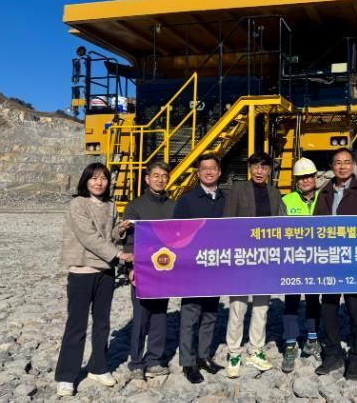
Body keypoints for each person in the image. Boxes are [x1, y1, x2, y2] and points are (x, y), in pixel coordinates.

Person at [55, 163, 133, 397]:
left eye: (103, 178)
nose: (99, 183)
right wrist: (118, 254)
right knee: (76, 324)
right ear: (86, 181)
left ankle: (98, 367)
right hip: (82, 271)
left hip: (105, 273)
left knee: (102, 323)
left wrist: (120, 230)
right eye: (94, 178)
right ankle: (66, 376)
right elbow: (88, 237)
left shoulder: (110, 206)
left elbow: (110, 236)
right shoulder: (77, 204)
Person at [314, 147, 357, 380]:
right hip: (329, 260)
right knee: (328, 307)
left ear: (354, 166)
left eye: (347, 162)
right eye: (338, 162)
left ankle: (356, 355)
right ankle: (333, 354)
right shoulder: (324, 191)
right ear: (332, 166)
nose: (342, 166)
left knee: (355, 310)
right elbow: (315, 226)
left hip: (354, 260)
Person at [223, 152, 286, 378]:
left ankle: (256, 350)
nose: (259, 171)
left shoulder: (275, 193)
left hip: (265, 258)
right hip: (242, 257)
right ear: (250, 168)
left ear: (269, 170)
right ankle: (234, 353)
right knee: (237, 306)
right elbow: (228, 221)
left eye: (264, 167)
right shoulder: (238, 189)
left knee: (261, 306)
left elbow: (281, 224)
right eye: (256, 166)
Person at [173, 153, 227, 384]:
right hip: (193, 267)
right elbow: (176, 233)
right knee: (190, 315)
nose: (209, 172)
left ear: (219, 172)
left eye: (213, 168)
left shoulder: (226, 199)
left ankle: (204, 356)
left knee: (210, 314)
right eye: (204, 168)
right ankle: (188, 362)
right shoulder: (186, 200)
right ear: (198, 173)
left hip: (216, 266)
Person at [123, 161, 175, 381]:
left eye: (164, 176)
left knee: (160, 315)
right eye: (156, 175)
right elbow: (129, 241)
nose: (160, 179)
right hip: (142, 269)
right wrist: (130, 268)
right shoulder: (135, 206)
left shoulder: (173, 206)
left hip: (165, 268)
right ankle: (136, 362)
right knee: (141, 316)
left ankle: (154, 359)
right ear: (147, 178)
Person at [280, 157, 322, 373]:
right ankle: (290, 343)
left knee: (314, 300)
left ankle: (312, 339)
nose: (305, 180)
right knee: (291, 301)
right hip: (293, 260)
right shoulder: (287, 201)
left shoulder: (325, 199)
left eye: (308, 176)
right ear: (295, 180)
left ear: (315, 178)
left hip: (317, 259)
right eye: (301, 177)